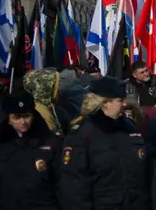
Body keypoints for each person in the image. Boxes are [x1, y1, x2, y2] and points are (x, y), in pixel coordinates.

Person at [61, 76, 149, 210]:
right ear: (105, 103)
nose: (124, 104)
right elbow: (74, 185)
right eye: (120, 100)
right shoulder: (83, 134)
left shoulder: (129, 128)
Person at [0, 91, 62, 210]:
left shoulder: (51, 142)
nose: (23, 122)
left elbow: (62, 183)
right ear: (8, 119)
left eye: (26, 116)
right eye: (17, 118)